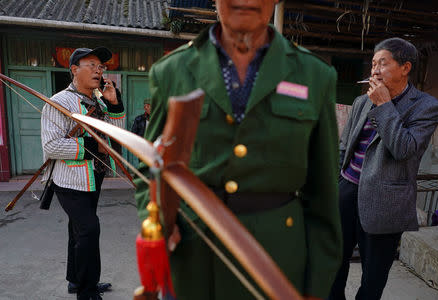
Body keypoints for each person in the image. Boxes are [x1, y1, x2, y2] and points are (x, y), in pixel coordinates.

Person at [134, 1, 342, 299]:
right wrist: (156, 218)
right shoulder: (171, 71)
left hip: (277, 264)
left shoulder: (315, 75)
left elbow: (323, 193)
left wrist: (316, 287)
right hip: (192, 259)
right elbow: (150, 163)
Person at [328, 38, 438, 300]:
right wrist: (337, 183)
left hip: (385, 199)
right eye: (373, 64)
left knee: (373, 275)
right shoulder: (361, 102)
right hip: (347, 190)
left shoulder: (427, 107)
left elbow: (404, 149)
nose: (375, 71)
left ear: (405, 68)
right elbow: (344, 147)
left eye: (383, 63)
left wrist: (384, 105)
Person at [41, 47, 126, 300]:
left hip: (93, 175)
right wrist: (92, 147)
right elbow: (52, 146)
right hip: (69, 179)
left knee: (77, 230)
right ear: (74, 69)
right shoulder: (58, 102)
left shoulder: (99, 99)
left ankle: (76, 280)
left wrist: (114, 103)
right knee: (89, 229)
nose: (99, 71)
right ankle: (87, 291)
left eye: (101, 67)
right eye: (92, 65)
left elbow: (116, 135)